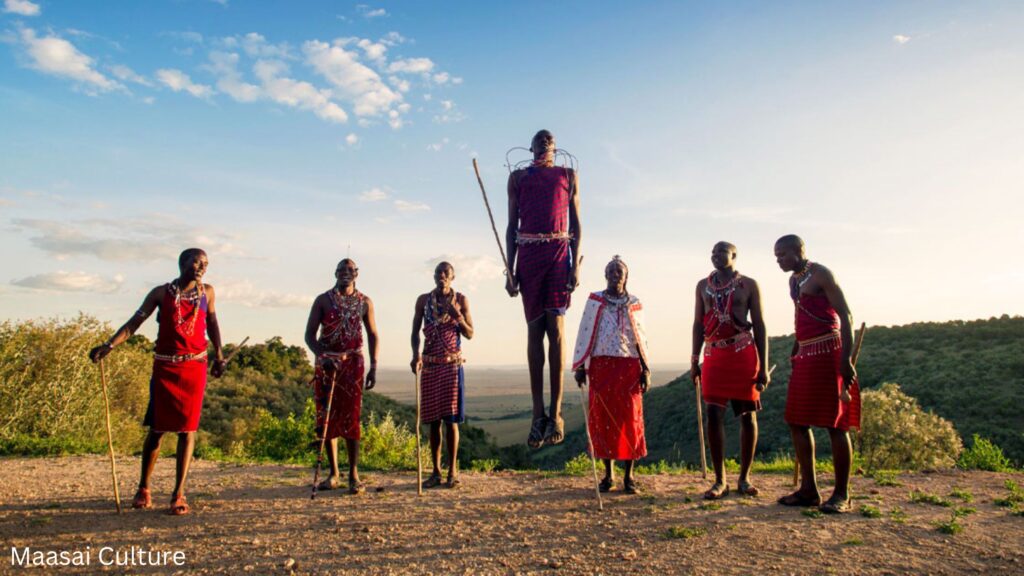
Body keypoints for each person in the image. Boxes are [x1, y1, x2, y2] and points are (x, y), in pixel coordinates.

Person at [88, 248, 226, 515]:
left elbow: (212, 323)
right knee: (158, 428)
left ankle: (178, 494)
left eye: (205, 263)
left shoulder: (207, 292)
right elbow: (134, 323)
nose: (201, 267)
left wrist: (219, 356)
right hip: (165, 365)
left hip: (195, 365)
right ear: (182, 263)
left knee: (187, 430)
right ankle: (144, 488)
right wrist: (109, 345)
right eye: (196, 262)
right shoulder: (161, 293)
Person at [506, 129, 582, 448]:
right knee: (534, 332)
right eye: (540, 142)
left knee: (558, 330)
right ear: (531, 147)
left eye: (550, 142)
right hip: (529, 258)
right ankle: (538, 415)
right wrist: (509, 271)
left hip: (558, 255)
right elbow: (512, 227)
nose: (545, 145)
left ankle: (557, 413)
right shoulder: (518, 178)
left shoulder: (568, 175)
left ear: (556, 147)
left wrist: (576, 264)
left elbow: (576, 224)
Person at [774, 235, 860, 513]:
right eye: (776, 256)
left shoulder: (821, 274)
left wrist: (846, 359)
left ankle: (842, 494)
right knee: (796, 420)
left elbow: (845, 316)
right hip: (806, 354)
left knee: (835, 424)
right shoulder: (793, 282)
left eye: (782, 255)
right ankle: (808, 490)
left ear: (799, 251)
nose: (778, 260)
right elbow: (801, 319)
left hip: (830, 352)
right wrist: (795, 350)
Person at [690, 242, 770, 499]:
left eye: (720, 252)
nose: (715, 256)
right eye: (712, 253)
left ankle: (744, 478)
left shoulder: (749, 285)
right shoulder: (703, 286)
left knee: (747, 416)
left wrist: (764, 366)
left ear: (734, 255)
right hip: (714, 354)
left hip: (743, 353)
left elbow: (759, 324)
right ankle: (719, 480)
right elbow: (697, 324)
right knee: (713, 414)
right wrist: (694, 360)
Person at [572, 256, 650, 494]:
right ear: (605, 275)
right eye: (611, 270)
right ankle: (608, 476)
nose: (615, 274)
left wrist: (645, 368)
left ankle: (630, 477)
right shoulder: (595, 301)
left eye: (620, 271)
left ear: (626, 276)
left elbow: (641, 338)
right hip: (601, 366)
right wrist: (580, 366)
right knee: (603, 420)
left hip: (629, 367)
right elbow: (585, 332)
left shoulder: (634, 302)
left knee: (631, 420)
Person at [304, 258, 379, 495]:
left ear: (357, 274)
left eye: (350, 270)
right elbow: (309, 335)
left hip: (353, 364)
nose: (346, 273)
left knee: (351, 417)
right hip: (327, 364)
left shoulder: (365, 302)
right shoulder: (322, 300)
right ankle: (333, 473)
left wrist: (374, 365)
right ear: (335, 273)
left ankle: (354, 475)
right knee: (327, 416)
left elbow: (373, 334)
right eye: (341, 270)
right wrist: (322, 356)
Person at [410, 262, 474, 489]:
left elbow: (470, 334)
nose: (442, 276)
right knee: (432, 422)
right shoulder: (423, 301)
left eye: (446, 273)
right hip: (429, 365)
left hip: (451, 366)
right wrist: (415, 355)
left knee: (451, 421)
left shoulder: (461, 301)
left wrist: (458, 316)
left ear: (453, 277)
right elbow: (415, 331)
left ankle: (452, 471)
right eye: (439, 272)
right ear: (434, 276)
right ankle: (435, 472)